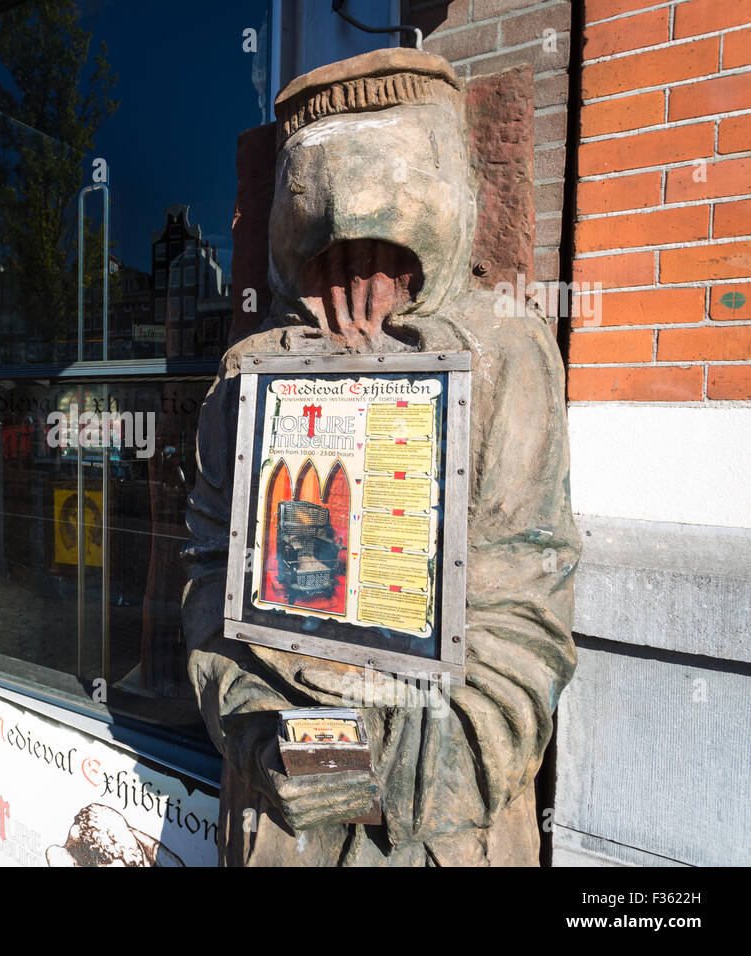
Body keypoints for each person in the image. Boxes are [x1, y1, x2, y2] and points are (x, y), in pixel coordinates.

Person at [181, 48, 579, 866]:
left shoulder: (507, 352)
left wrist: (404, 774)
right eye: (312, 192)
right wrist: (257, 730)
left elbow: (528, 608)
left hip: (436, 825)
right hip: (274, 819)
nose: (357, 264)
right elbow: (205, 568)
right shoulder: (247, 374)